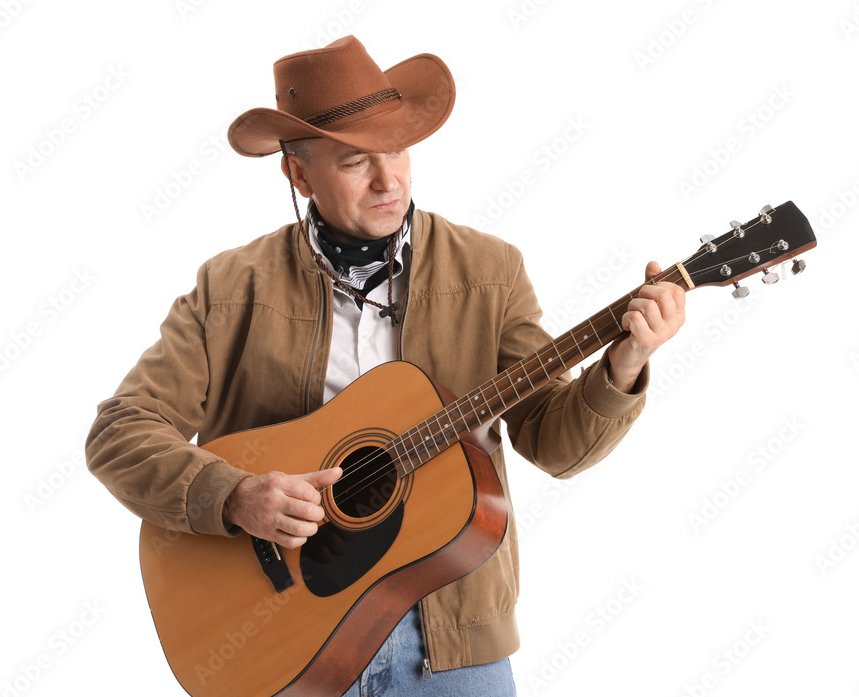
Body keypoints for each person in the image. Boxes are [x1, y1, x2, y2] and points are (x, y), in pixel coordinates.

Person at [86, 35, 685, 696]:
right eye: (355, 161)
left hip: (454, 648)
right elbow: (120, 431)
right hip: (282, 647)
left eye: (397, 150)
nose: (389, 179)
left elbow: (553, 442)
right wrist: (231, 494)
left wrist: (623, 366)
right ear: (299, 174)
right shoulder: (232, 287)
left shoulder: (489, 271)